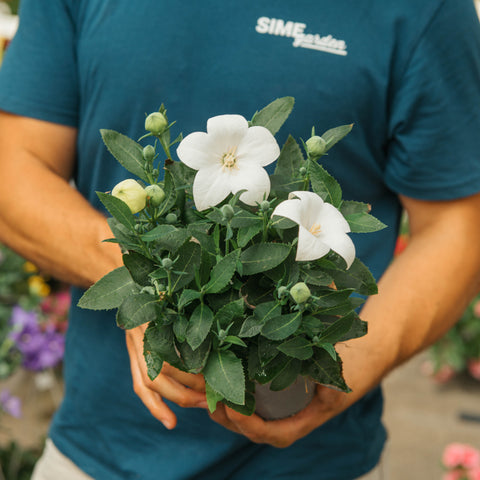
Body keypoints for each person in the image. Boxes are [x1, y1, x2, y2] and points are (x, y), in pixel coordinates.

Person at [0, 1, 480, 479]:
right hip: (95, 460)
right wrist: (146, 279)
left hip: (320, 466)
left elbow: (457, 227)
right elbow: (12, 169)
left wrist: (344, 366)